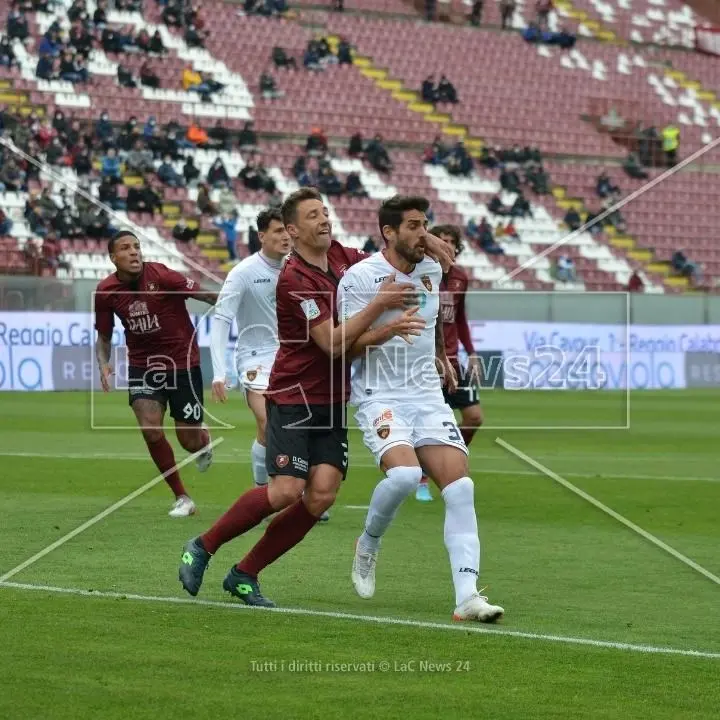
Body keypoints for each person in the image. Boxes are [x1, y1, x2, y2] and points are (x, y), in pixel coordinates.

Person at [178, 189, 452, 606]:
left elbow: (392, 254)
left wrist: (424, 239)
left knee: (322, 494)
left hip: (331, 398)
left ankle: (245, 573)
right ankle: (203, 544)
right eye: (312, 216)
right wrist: (381, 311)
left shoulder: (342, 256)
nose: (324, 219)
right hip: (294, 395)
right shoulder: (294, 280)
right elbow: (334, 344)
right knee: (286, 490)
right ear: (292, 230)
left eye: (325, 212)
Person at [340, 196, 504, 623]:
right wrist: (387, 326)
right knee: (406, 476)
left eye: (425, 224)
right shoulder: (360, 277)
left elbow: (430, 321)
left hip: (428, 395)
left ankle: (467, 597)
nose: (423, 233)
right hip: (380, 393)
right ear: (388, 232)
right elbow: (342, 348)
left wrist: (439, 355)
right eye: (413, 226)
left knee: (462, 488)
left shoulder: (431, 269)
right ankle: (369, 542)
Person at [208, 208, 334, 515]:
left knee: (303, 424)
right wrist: (218, 372)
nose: (284, 237)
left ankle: (305, 491)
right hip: (255, 357)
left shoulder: (301, 268)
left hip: (295, 357)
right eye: (277, 232)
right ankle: (262, 490)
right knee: (268, 421)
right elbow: (222, 318)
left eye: (287, 231)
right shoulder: (243, 272)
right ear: (262, 236)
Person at [94, 231, 217, 517]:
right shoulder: (106, 291)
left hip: (182, 363)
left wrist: (237, 308)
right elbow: (103, 335)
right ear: (114, 258)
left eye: (137, 246)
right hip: (143, 366)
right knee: (150, 429)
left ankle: (203, 440)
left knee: (189, 442)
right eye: (126, 248)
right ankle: (182, 498)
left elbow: (207, 294)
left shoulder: (162, 276)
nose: (134, 252)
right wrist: (103, 363)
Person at [415, 225, 483, 503]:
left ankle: (440, 466)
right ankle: (423, 477)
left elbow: (460, 319)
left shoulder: (460, 278)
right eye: (441, 240)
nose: (446, 245)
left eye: (451, 241)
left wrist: (472, 351)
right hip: (427, 363)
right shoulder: (421, 274)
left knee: (474, 417)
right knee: (429, 425)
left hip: (454, 360)